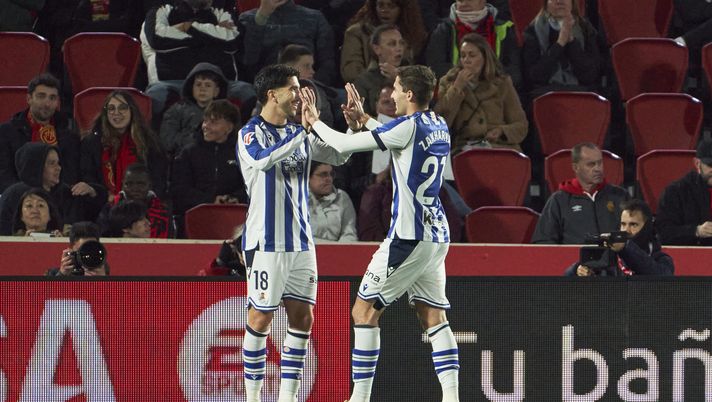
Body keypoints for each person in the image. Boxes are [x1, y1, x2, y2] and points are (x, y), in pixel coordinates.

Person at [301, 66, 460, 402]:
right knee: (433, 315)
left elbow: (346, 143)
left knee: (363, 312)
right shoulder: (438, 125)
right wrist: (366, 119)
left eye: (398, 90)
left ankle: (359, 399)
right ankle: (452, 397)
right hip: (436, 235)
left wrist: (314, 121)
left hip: (407, 237)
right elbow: (397, 137)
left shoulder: (408, 127)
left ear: (410, 95)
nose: (393, 96)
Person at [236, 64, 350, 402]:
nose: (300, 96)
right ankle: (253, 397)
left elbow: (339, 156)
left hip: (302, 242)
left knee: (303, 317)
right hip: (266, 242)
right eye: (294, 89)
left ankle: (288, 397)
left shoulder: (299, 133)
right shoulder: (250, 133)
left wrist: (351, 127)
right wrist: (304, 131)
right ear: (273, 95)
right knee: (260, 318)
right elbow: (262, 161)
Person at [140, 0, 256, 120]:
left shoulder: (221, 13)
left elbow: (232, 41)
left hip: (222, 82)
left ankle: (244, 138)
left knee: (248, 92)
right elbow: (156, 39)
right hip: (172, 82)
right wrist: (213, 35)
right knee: (155, 96)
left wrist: (186, 27)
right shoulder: (161, 10)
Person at [434, 33, 528, 155]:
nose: (466, 60)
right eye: (463, 56)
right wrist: (457, 88)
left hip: (499, 146)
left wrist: (501, 131)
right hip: (465, 148)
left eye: (472, 55)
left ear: (484, 57)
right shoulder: (448, 82)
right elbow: (441, 124)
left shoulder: (502, 83)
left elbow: (521, 125)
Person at [0, 142, 106, 235]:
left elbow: (89, 221)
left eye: (58, 163)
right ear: (36, 166)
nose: (58, 168)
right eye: (52, 163)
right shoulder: (13, 195)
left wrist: (92, 191)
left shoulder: (67, 193)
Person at [532, 142, 629, 244]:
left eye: (600, 163)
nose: (598, 169)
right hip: (574, 259)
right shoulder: (559, 200)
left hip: (613, 258)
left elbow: (635, 233)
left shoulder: (620, 195)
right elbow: (543, 241)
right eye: (591, 164)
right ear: (576, 167)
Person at [80, 90, 167, 201]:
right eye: (111, 108)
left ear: (132, 111)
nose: (116, 112)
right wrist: (106, 196)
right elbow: (88, 177)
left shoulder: (149, 142)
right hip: (103, 203)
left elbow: (158, 179)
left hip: (143, 204)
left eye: (122, 108)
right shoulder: (92, 142)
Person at [0, 73, 80, 192]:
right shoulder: (6, 132)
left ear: (58, 102)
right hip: (18, 198)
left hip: (57, 200)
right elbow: (4, 174)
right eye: (41, 96)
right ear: (29, 99)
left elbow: (71, 176)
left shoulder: (69, 136)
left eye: (52, 98)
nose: (47, 104)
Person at [170, 99, 247, 216]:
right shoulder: (188, 153)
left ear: (229, 127)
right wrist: (210, 200)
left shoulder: (243, 153)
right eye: (205, 121)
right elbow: (179, 189)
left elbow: (253, 185)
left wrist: (235, 198)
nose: (206, 126)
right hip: (195, 215)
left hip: (235, 216)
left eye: (214, 122)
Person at [426, 0, 521, 90]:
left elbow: (515, 72)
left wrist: (487, 80)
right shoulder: (443, 30)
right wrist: (466, 79)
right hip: (456, 95)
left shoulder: (505, 29)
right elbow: (436, 68)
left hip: (496, 96)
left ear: (483, 1)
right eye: (460, 0)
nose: (464, 4)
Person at [566, 199, 674, 276]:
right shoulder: (607, 255)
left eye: (633, 225)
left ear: (647, 227)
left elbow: (661, 277)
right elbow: (566, 277)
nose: (626, 230)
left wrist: (625, 248)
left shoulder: (662, 259)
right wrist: (577, 270)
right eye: (623, 224)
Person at [238, 0, 337, 85]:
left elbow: (327, 62)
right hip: (266, 88)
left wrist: (312, 85)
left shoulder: (315, 17)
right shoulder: (247, 19)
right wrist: (261, 17)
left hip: (309, 86)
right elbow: (249, 62)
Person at [521, 0, 601, 99]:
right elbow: (535, 76)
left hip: (581, 91)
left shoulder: (585, 28)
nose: (559, 1)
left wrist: (571, 40)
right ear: (546, 4)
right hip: (545, 94)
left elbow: (590, 75)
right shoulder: (533, 31)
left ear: (572, 3)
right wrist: (560, 43)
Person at [340, 0, 427, 84]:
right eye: (380, 5)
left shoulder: (412, 34)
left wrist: (398, 78)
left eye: (391, 6)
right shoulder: (356, 32)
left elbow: (421, 76)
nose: (384, 10)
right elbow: (351, 74)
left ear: (402, 9)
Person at [159, 62, 228, 158]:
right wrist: (196, 139)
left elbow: (233, 139)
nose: (202, 89)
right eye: (198, 84)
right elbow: (167, 141)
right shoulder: (176, 110)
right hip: (184, 159)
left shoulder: (227, 111)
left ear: (216, 91)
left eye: (208, 85)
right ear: (191, 88)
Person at [656, 139, 712, 246]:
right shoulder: (676, 192)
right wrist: (696, 231)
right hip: (691, 255)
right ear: (697, 163)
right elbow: (664, 232)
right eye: (711, 165)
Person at [97, 163, 172, 238]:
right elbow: (103, 237)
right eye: (129, 184)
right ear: (122, 184)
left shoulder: (163, 210)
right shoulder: (110, 207)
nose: (135, 189)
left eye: (140, 184)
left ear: (149, 185)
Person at [353, 24, 408, 117]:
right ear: (377, 49)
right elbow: (361, 118)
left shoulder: (415, 75)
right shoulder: (364, 81)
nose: (399, 48)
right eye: (392, 44)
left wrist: (399, 78)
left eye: (401, 43)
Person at [308, 161, 357, 242]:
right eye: (323, 175)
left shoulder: (342, 197)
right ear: (308, 177)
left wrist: (336, 251)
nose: (329, 179)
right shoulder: (297, 201)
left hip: (337, 253)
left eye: (331, 174)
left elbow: (349, 234)